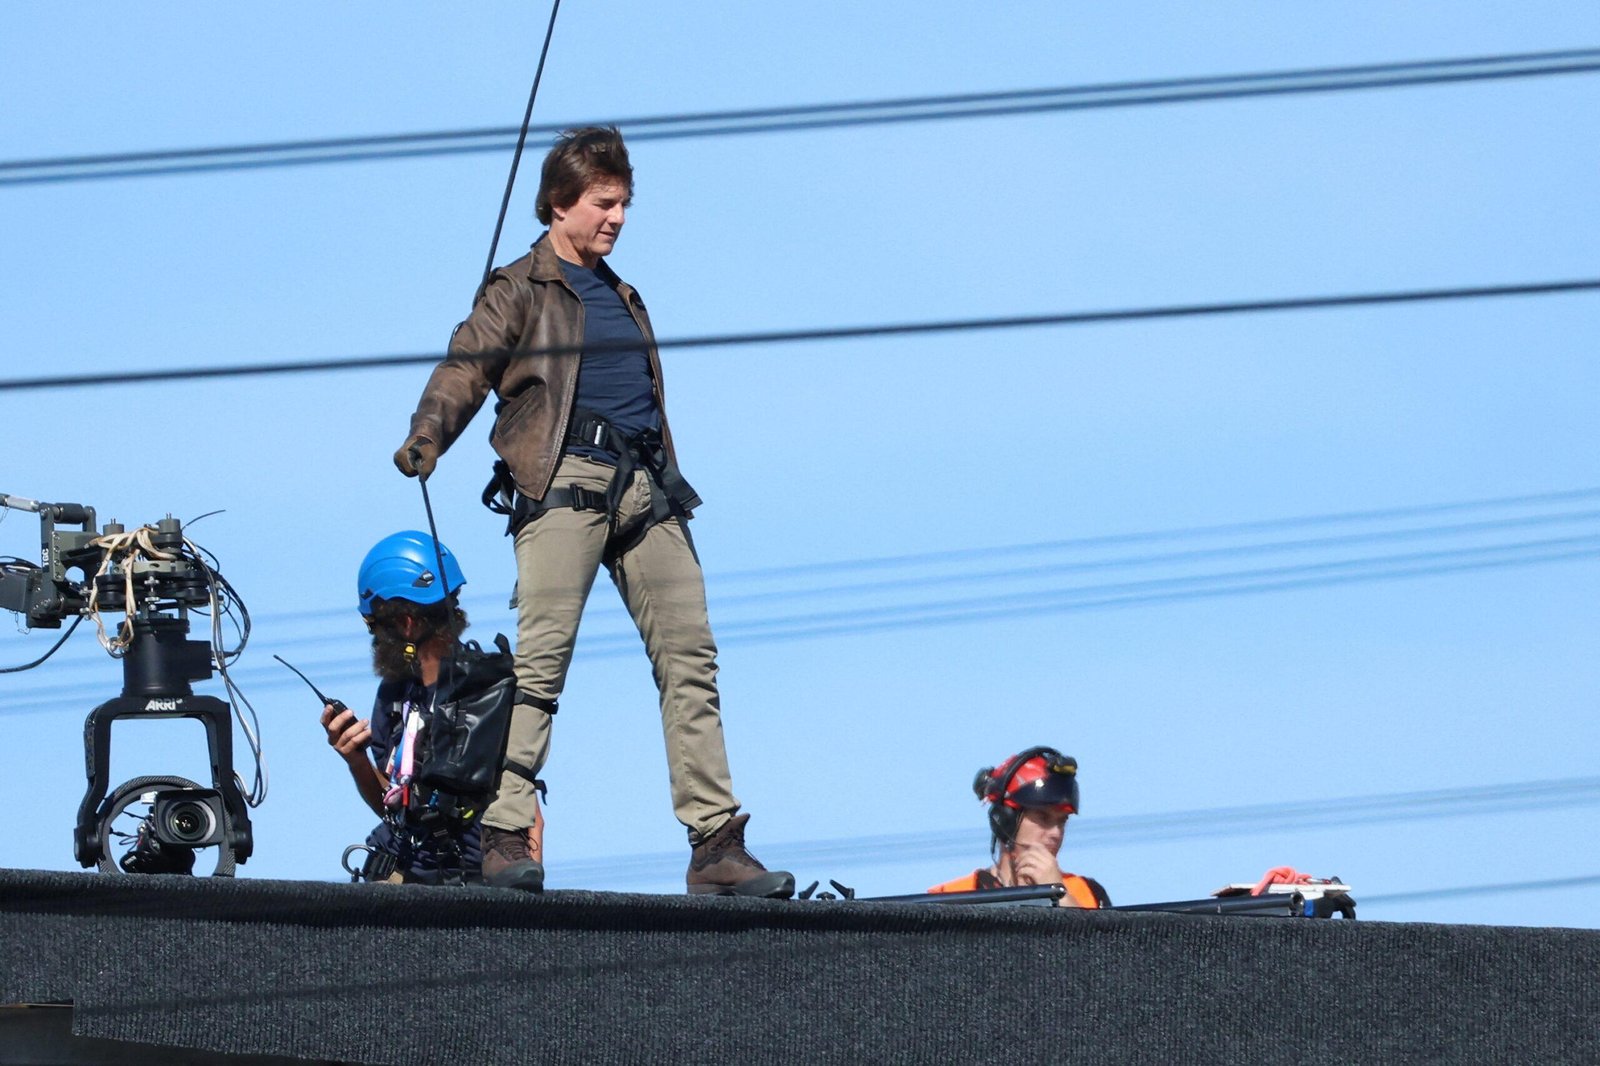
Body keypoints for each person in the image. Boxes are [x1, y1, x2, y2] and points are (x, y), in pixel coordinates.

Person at [390, 126, 792, 897]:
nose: (618, 217)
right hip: (565, 481)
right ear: (559, 203)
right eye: (604, 203)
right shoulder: (521, 287)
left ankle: (716, 845)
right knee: (541, 664)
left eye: (624, 204)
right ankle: (503, 835)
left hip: (647, 489)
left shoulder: (624, 294)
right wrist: (427, 434)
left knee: (692, 661)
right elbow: (466, 364)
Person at [321, 531, 545, 886]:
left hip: (468, 883)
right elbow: (393, 805)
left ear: (406, 624)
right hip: (397, 873)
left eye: (374, 625)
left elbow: (529, 815)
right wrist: (356, 760)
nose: (375, 639)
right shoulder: (394, 694)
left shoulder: (489, 690)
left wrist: (522, 905)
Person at [928, 746, 1110, 908]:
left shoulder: (1089, 894)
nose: (1056, 833)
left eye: (1062, 821)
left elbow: (1099, 945)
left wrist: (1058, 893)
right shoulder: (948, 898)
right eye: (1043, 817)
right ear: (1004, 821)